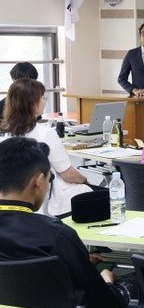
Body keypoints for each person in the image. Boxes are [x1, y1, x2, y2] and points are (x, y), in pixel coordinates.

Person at [0, 137, 135, 308]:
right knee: (135, 283)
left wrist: (72, 262)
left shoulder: (55, 238)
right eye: (50, 178)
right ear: (39, 181)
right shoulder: (56, 235)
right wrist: (107, 282)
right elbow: (105, 307)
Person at [0, 79, 91, 216]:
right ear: (32, 103)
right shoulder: (46, 133)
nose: (44, 101)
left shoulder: (7, 135)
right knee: (89, 191)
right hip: (49, 201)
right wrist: (86, 181)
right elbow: (69, 175)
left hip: (16, 198)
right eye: (43, 97)